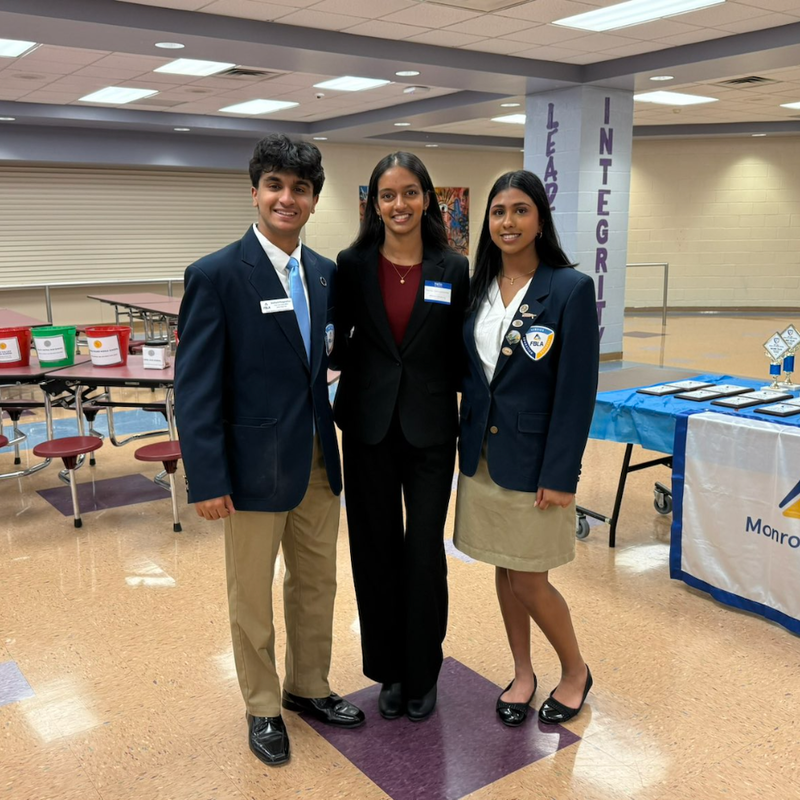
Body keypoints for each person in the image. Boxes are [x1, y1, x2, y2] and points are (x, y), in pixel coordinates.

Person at [174, 134, 364, 768]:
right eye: (276, 186)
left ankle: (308, 686)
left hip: (316, 458)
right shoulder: (217, 274)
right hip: (251, 468)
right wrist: (206, 478)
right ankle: (261, 705)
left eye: (300, 189)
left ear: (314, 200)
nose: (288, 198)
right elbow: (195, 387)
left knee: (317, 583)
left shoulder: (324, 273)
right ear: (254, 192)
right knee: (251, 593)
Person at [454, 169, 599, 727]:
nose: (507, 222)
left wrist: (562, 472)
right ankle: (521, 672)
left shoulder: (567, 288)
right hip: (483, 459)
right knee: (503, 567)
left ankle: (575, 670)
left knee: (531, 580)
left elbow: (577, 388)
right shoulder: (478, 287)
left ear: (540, 219)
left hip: (537, 462)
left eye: (520, 210)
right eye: (498, 212)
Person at [333, 152, 469, 721]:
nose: (399, 205)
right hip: (368, 428)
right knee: (374, 550)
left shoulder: (452, 267)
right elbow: (338, 342)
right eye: (387, 195)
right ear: (374, 204)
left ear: (427, 198)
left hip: (431, 429)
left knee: (422, 554)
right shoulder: (353, 262)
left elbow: (463, 350)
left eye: (410, 193)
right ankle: (388, 669)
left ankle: (423, 669)